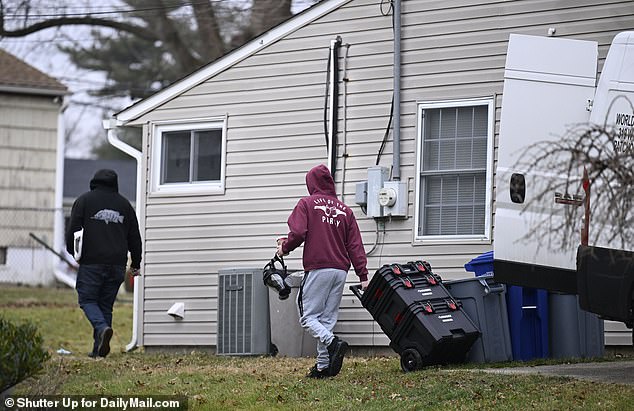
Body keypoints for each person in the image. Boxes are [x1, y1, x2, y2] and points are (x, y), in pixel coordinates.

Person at [277, 164, 369, 378]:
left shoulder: (307, 204)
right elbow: (355, 245)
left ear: (311, 183)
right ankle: (322, 367)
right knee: (326, 320)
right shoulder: (345, 211)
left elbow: (298, 232)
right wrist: (363, 275)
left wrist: (284, 247)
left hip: (319, 267)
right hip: (340, 271)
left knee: (308, 317)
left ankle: (333, 343)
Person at [65, 169, 142, 358]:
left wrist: (72, 252)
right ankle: (98, 350)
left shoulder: (84, 201)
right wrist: (136, 263)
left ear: (95, 182)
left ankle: (101, 328)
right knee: (105, 305)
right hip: (117, 264)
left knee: (88, 300)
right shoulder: (125, 205)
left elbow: (73, 230)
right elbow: (135, 238)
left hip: (92, 262)